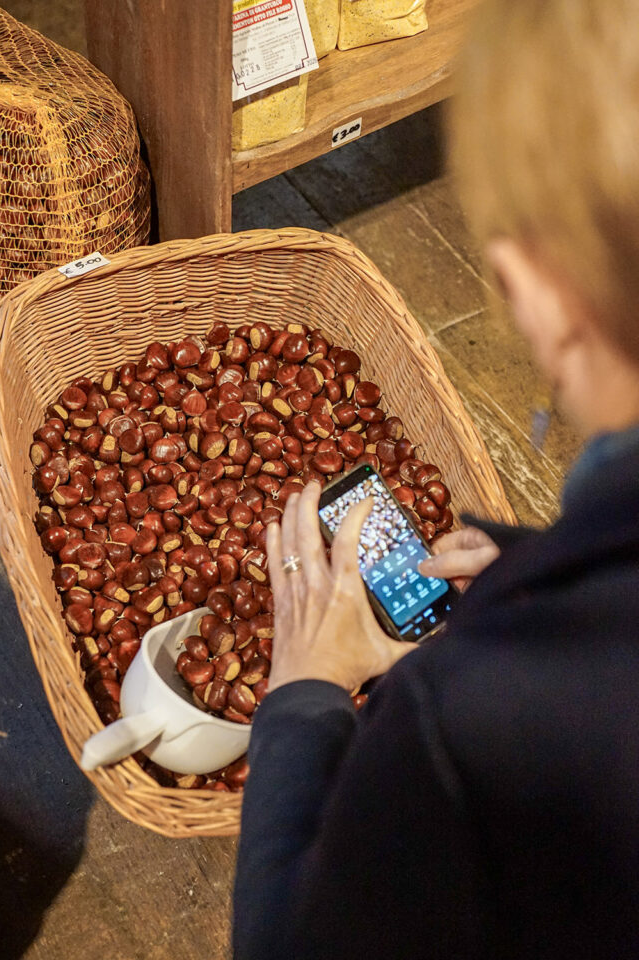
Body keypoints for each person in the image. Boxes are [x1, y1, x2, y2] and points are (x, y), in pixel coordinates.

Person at [232, 0, 639, 957]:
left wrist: (305, 697)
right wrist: (543, 573)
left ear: (538, 292)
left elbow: (291, 944)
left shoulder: (469, 719)